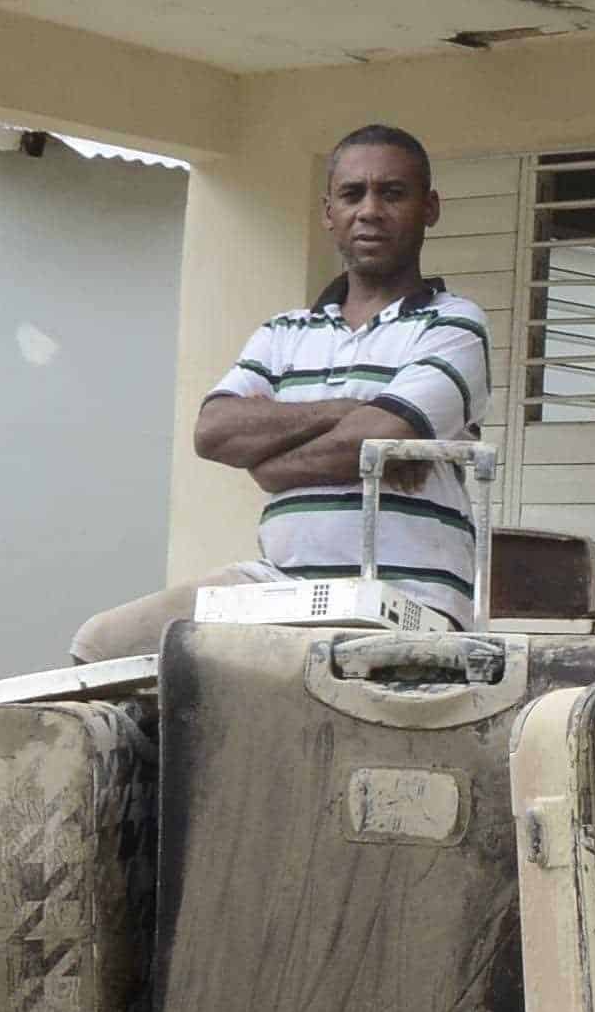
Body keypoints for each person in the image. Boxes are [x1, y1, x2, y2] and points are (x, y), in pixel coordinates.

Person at [69, 124, 491, 660]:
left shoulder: (453, 326)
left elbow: (377, 437)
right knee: (103, 642)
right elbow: (214, 430)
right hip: (278, 585)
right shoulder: (283, 333)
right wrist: (344, 409)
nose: (370, 210)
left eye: (393, 193)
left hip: (407, 598)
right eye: (352, 193)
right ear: (327, 212)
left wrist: (271, 464)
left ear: (429, 208)